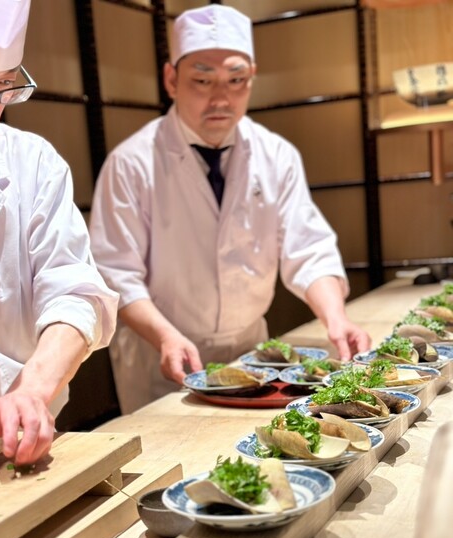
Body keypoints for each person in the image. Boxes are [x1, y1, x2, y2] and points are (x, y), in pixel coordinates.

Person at [89, 4, 371, 414]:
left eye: (236, 80)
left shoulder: (276, 155)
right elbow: (116, 273)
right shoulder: (131, 163)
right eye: (202, 80)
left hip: (251, 353)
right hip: (162, 358)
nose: (221, 97)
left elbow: (309, 248)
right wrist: (165, 336)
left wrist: (335, 318)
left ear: (252, 78)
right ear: (172, 79)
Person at [0, 0, 119, 463]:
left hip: (32, 447)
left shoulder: (32, 162)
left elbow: (75, 292)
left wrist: (31, 392)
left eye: (4, 87)